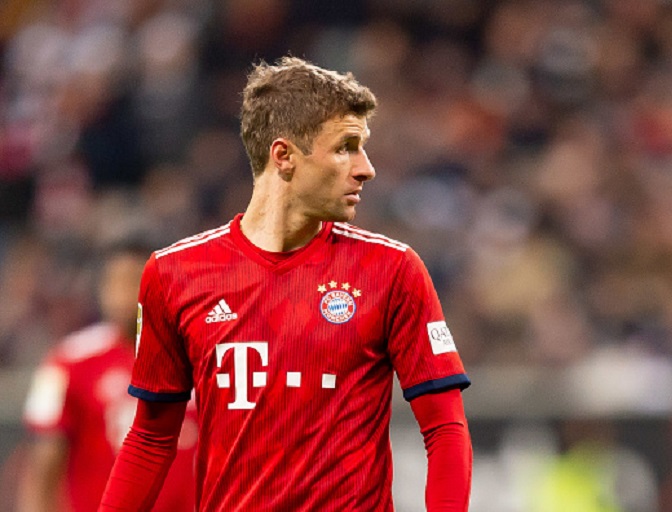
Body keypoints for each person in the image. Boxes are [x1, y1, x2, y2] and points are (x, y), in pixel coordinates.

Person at [99, 56, 472, 511]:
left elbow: (445, 428)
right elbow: (151, 438)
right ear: (284, 156)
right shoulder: (173, 274)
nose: (365, 168)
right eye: (346, 147)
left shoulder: (392, 270)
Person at [18, 243, 198, 512]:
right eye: (115, 283)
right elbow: (43, 473)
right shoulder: (69, 361)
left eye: (134, 280)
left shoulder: (200, 356)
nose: (124, 295)